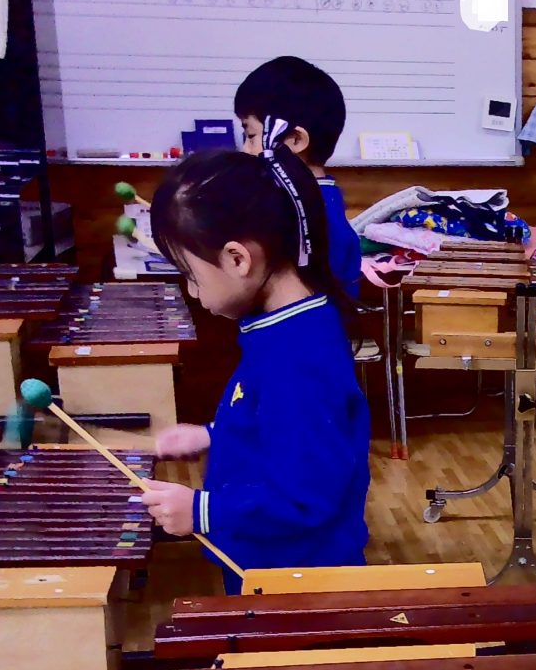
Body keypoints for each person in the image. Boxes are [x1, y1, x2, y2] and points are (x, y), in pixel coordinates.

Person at [140, 121, 370, 587]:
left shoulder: (299, 358)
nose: (192, 291)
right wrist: (214, 433)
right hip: (270, 566)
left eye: (191, 275)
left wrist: (201, 510)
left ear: (237, 258)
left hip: (298, 583)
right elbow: (278, 424)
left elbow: (305, 496)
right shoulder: (284, 327)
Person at [234, 55, 363, 298]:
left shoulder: (312, 216)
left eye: (251, 136)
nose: (245, 151)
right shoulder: (311, 203)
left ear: (295, 140)